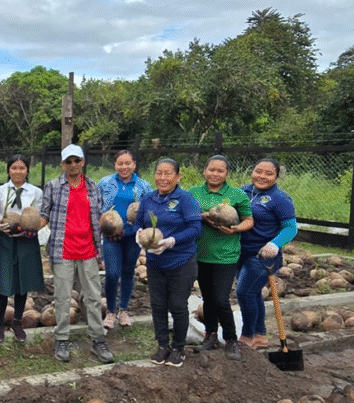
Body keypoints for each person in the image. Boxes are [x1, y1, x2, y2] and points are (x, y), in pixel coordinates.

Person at [40, 144, 114, 364]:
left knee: (92, 297)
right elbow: (44, 215)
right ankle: (62, 339)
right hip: (62, 249)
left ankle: (98, 339)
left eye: (76, 161)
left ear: (83, 162)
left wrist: (112, 226)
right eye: (68, 161)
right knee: (62, 298)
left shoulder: (92, 186)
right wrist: (29, 226)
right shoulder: (53, 186)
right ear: (63, 164)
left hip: (88, 249)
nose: (73, 165)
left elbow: (98, 216)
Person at [136, 158, 201, 368]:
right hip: (155, 262)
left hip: (181, 261)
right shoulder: (148, 199)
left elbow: (195, 228)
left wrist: (172, 240)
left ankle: (178, 348)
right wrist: (139, 235)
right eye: (159, 173)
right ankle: (163, 345)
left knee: (178, 305)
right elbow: (138, 223)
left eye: (168, 174)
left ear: (178, 176)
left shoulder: (186, 199)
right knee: (158, 305)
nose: (162, 178)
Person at [189, 155, 254, 361]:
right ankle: (210, 336)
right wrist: (203, 216)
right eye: (211, 170)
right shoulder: (193, 193)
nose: (215, 174)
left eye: (220, 171)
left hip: (226, 256)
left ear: (226, 173)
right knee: (208, 299)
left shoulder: (236, 194)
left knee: (220, 299)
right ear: (204, 171)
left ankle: (231, 339)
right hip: (201, 253)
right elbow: (187, 215)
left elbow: (249, 220)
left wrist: (236, 229)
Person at [237, 158, 297, 350]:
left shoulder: (280, 199)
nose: (262, 176)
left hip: (263, 256)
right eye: (258, 171)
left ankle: (247, 336)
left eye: (268, 173)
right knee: (253, 294)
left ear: (276, 177)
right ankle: (260, 335)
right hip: (240, 253)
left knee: (244, 293)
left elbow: (290, 228)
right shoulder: (242, 192)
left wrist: (274, 244)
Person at [0, 154, 45, 342]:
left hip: (26, 241)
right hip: (5, 240)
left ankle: (17, 322)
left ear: (27, 170)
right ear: (8, 170)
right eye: (14, 168)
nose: (18, 171)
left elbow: (38, 216)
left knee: (22, 282)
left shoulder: (36, 192)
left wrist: (31, 228)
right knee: (3, 281)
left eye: (22, 168)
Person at [97, 150, 152, 330]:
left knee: (128, 272)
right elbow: (96, 206)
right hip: (111, 236)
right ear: (115, 165)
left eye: (128, 163)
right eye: (120, 163)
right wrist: (103, 225)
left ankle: (124, 309)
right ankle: (110, 311)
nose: (124, 167)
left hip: (132, 236)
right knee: (112, 273)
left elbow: (150, 210)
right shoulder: (105, 183)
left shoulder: (143, 186)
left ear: (134, 164)